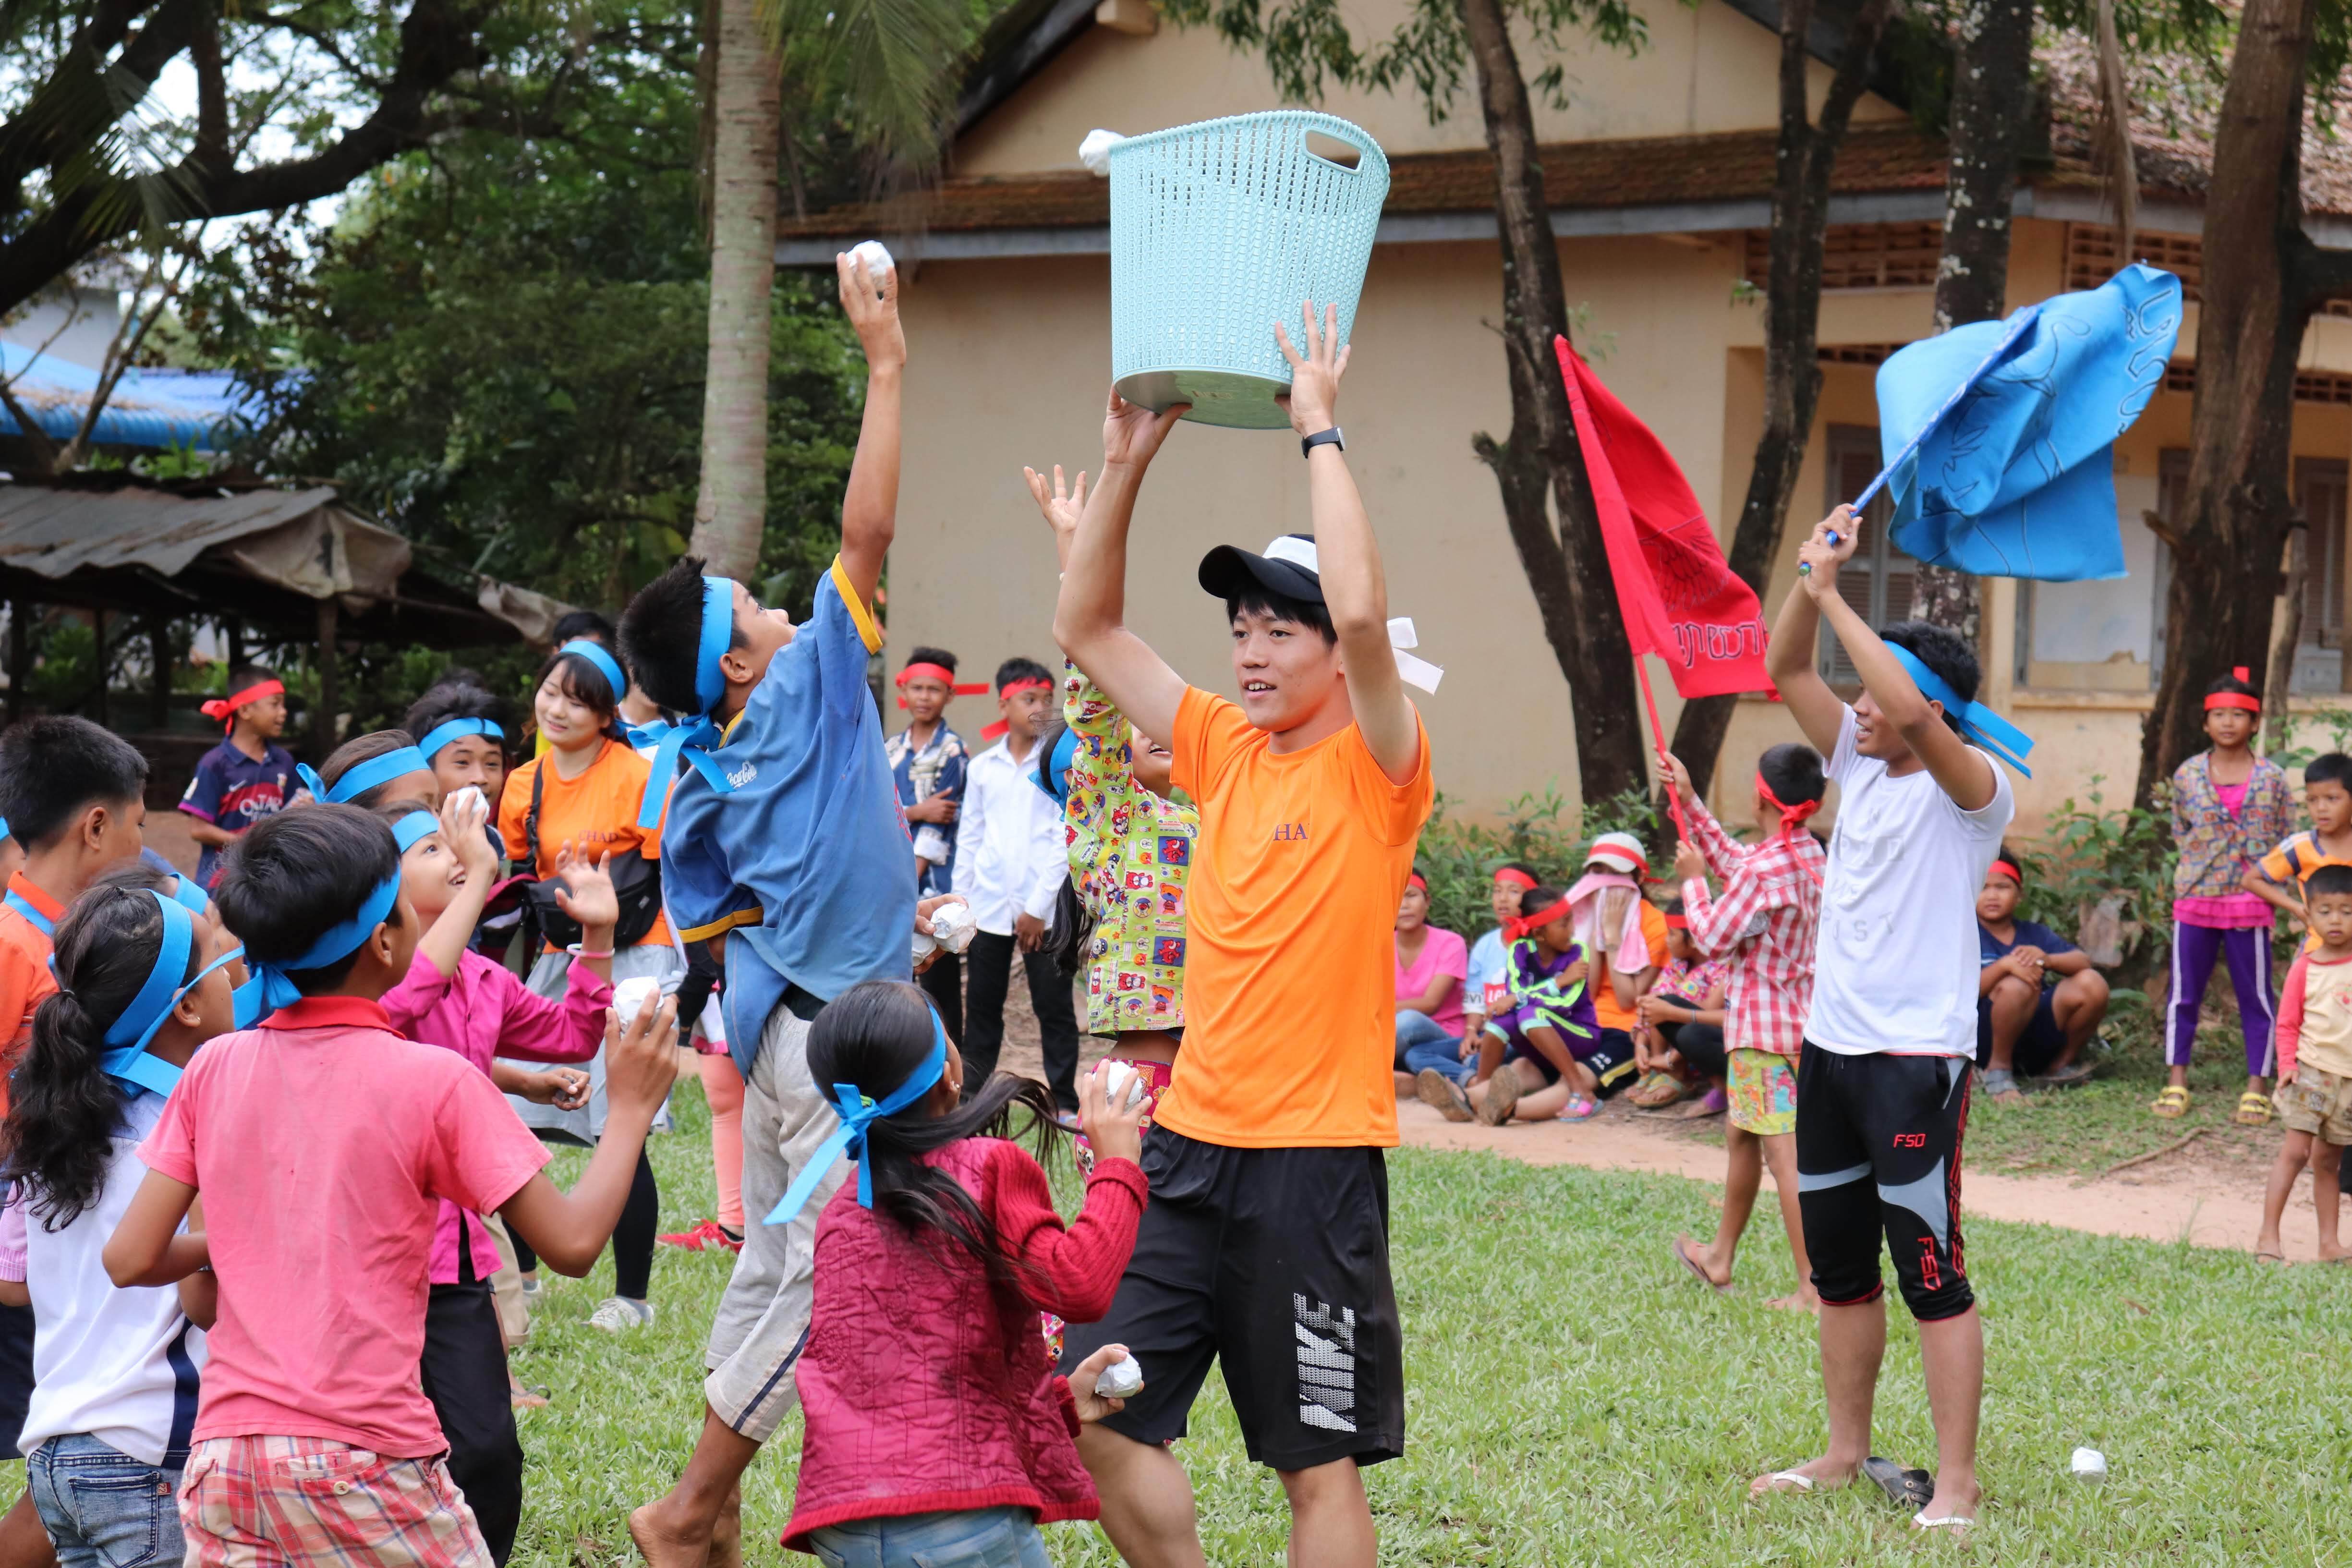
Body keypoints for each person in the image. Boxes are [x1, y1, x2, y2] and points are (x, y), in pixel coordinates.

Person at [1052, 303, 1435, 1568]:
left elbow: (1367, 621)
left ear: (1333, 651)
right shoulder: (1222, 746)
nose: (1252, 653)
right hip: (1185, 1153)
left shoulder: (1379, 767)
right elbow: (1087, 630)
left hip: (1310, 1171)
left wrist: (1318, 428)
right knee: (1091, 1403)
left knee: (1313, 1466)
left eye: (1281, 629)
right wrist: (1123, 465)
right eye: (1241, 629)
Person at [101, 803, 679, 1568]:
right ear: (384, 940)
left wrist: (250, 1235)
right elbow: (571, 1245)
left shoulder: (215, 1066)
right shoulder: (434, 1081)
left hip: (227, 1462)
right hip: (365, 1459)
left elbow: (132, 1258)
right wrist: (630, 1110)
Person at [619, 252, 924, 1568]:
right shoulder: (809, 689)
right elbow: (866, 536)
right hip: (838, 1049)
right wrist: (885, 362)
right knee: (817, 1276)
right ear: (740, 661)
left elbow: (709, 915)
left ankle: (717, 1505)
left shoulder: (701, 762)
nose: (781, 603)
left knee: (773, 1263)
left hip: (777, 1033)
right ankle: (690, 1507)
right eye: (754, 605)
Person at [1751, 507, 2015, 1532]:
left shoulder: (1972, 792)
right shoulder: (1857, 763)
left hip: (1915, 1062)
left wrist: (1835, 597)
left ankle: (1956, 1483)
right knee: (1840, 1272)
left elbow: (1903, 700)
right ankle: (1842, 1451)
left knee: (1930, 1275)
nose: (1857, 707)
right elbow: (1783, 666)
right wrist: (1805, 576)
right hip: (1830, 1052)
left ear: (1930, 709)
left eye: (1873, 693)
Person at [773, 979, 1151, 1567]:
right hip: (958, 1517)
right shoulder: (989, 1168)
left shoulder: (842, 1214)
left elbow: (907, 1384)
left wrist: (1061, 1402)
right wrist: (1118, 1164)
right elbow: (1078, 1284)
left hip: (844, 1522)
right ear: (949, 1073)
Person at [376, 794, 618, 1563]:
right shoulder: (371, 974)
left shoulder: (483, 978)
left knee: (486, 1452)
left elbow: (574, 1035)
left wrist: (598, 935)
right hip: (371, 1254)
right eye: (432, 848)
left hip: (454, 1256)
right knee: (378, 1447)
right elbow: (410, 996)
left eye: (464, 844)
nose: (457, 855)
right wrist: (482, 872)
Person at [0, 865, 238, 1568]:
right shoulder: (191, 1126)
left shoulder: (55, 1122)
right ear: (187, 1007)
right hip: (149, 1454)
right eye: (221, 961)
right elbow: (206, 1301)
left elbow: (15, 1282)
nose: (237, 975)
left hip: (56, 1455)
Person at [495, 637, 678, 1333]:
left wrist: (692, 980)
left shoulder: (641, 775)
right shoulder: (523, 783)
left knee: (618, 1123)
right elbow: (517, 881)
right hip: (559, 957)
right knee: (509, 1120)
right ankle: (523, 1276)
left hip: (636, 956)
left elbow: (670, 875)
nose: (558, 709)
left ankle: (631, 1297)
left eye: (578, 700)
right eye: (551, 692)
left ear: (607, 714)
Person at [0, 714, 149, 1562]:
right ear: (96, 825)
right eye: (138, 824)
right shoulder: (14, 945)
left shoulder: (72, 941)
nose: (141, 844)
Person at [1024, 462, 1196, 1168]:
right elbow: (1095, 673)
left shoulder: (1206, 815)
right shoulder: (1113, 819)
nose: (1146, 723)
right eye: (1128, 726)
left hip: (1224, 1075)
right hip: (1144, 1087)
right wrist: (1076, 550)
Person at [1662, 745, 1828, 1311]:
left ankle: (1811, 1288)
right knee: (1741, 1135)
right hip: (1798, 1027)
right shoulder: (1807, 853)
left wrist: (1692, 883)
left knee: (1784, 1159)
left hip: (1761, 1035)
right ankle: (1718, 1256)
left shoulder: (1765, 868)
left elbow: (1710, 937)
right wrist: (1689, 800)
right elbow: (1738, 863)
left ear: (1760, 795)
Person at [2158, 670, 2291, 1124]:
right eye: (2219, 714)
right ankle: (2176, 1079)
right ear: (2206, 722)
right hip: (2196, 898)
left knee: (2256, 996)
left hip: (2251, 902)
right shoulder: (2188, 774)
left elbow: (2284, 834)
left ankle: (2257, 1085)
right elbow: (2181, 829)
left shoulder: (2272, 778)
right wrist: (2206, 865)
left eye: (2239, 714)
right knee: (2184, 995)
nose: (2229, 723)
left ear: (2255, 722)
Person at [953, 657, 1082, 1113]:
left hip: (1043, 911)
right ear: (1003, 705)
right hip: (988, 907)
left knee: (1054, 1008)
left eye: (1047, 699)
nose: (1040, 708)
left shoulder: (1058, 765)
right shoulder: (982, 768)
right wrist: (960, 901)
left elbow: (1063, 837)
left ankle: (1064, 1101)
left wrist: (1037, 908)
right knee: (982, 1010)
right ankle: (971, 1099)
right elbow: (971, 836)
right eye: (1029, 699)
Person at [1438, 885, 1626, 1125]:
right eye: (1565, 924)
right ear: (1539, 934)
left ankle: (1582, 1091)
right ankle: (1480, 1093)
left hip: (1580, 1035)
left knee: (1529, 1014)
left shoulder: (1579, 953)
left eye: (1572, 921)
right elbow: (1514, 997)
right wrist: (1557, 983)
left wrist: (1521, 997)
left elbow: (1565, 1003)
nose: (1573, 929)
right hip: (1537, 1038)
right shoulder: (1520, 951)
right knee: (1500, 1022)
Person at [2234, 751, 2352, 1126]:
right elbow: (2252, 878)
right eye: (2313, 800)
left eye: (2332, 798)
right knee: (2309, 1025)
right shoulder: (2301, 846)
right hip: (2318, 957)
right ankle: (2307, 1102)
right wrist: (2296, 908)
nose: (2321, 808)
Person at [2255, 863, 2352, 1262]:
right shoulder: (2304, 968)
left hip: (2347, 1081)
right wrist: (2288, 1066)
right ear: (2308, 914)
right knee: (2295, 1153)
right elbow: (2287, 1024)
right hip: (2311, 1074)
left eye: (2347, 911)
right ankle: (2268, 1236)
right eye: (2326, 911)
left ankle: (2329, 1244)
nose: (2336, 920)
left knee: (2328, 1162)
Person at [887, 645, 976, 1039]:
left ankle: (948, 1062)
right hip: (891, 878)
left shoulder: (954, 751)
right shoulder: (890, 749)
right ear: (904, 690)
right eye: (917, 688)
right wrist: (918, 810)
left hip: (931, 886)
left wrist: (903, 886)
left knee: (940, 987)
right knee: (893, 982)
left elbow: (938, 830)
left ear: (950, 695)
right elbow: (878, 811)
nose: (924, 697)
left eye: (934, 689)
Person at [1974, 854, 2110, 1102]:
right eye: (1984, 887)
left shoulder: (2034, 933)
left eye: (2002, 887)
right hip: (1984, 1039)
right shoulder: (1964, 935)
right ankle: (1997, 1071)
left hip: (2035, 1033)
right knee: (2017, 984)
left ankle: (2059, 1067)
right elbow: (1956, 994)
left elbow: (2083, 961)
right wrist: (2004, 967)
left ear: (2020, 895)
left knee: (2092, 983)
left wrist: (2047, 959)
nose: (1992, 896)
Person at [179, 664, 296, 887]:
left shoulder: (285, 762)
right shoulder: (215, 763)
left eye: (283, 705)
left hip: (272, 883)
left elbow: (291, 814)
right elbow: (199, 829)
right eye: (275, 704)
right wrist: (250, 843)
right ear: (244, 711)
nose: (283, 712)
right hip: (223, 885)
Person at [1570, 832, 1668, 1067]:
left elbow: (1627, 1001)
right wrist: (1598, 929)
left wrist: (1612, 935)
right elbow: (1587, 994)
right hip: (1584, 1022)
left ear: (1639, 878)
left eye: (1615, 873)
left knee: (1577, 1073)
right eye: (1598, 872)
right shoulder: (1579, 919)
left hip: (1625, 1029)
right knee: (1525, 1065)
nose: (1605, 882)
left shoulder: (1657, 925)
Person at [1623, 901, 1730, 1112]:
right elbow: (1655, 999)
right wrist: (1641, 1045)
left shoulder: (1722, 967)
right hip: (1677, 1042)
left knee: (1671, 1007)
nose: (1667, 940)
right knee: (1660, 1000)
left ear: (1694, 940)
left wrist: (1672, 1058)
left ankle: (1678, 1074)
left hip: (1702, 1044)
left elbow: (1711, 1014)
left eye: (1672, 934)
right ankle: (1659, 1071)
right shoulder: (1677, 964)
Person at [1393, 873, 1470, 1089]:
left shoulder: (1451, 943)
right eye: (1395, 897)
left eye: (1411, 896)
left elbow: (1431, 1003)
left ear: (1427, 901)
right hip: (1395, 1036)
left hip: (1443, 1035)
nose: (1404, 905)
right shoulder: (1378, 945)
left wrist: (1377, 1010)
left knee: (1409, 1020)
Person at [404, 681, 514, 816]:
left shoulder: (500, 831)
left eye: (492, 764)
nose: (480, 778)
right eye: (462, 762)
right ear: (426, 771)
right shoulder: (393, 830)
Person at [1463, 864, 1539, 1053]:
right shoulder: (1485, 945)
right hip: (1486, 1033)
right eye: (1497, 891)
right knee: (1419, 1054)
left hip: (1524, 1036)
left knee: (1476, 1059)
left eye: (1514, 891)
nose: (1503, 899)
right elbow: (1476, 999)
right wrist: (1471, 1032)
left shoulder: (1541, 943)